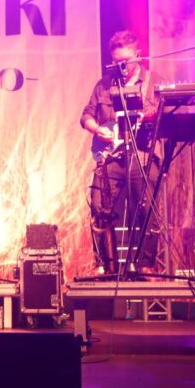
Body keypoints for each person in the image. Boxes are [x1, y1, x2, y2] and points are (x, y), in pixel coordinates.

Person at [80, 30, 161, 275]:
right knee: (99, 207)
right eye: (117, 62)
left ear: (138, 55)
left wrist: (146, 117)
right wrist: (98, 130)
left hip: (142, 153)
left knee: (146, 208)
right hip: (110, 156)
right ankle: (105, 266)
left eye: (126, 61)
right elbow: (86, 116)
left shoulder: (153, 81)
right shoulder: (104, 84)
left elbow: (162, 114)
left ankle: (146, 265)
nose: (122, 66)